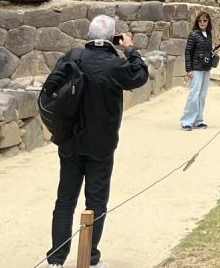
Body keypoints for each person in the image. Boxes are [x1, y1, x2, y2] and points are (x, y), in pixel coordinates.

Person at [45, 15, 148, 266]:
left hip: (70, 140)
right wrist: (130, 48)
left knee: (66, 199)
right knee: (96, 200)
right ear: (112, 37)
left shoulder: (73, 57)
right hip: (101, 143)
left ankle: (57, 259)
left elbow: (51, 86)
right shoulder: (115, 65)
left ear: (89, 36)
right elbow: (141, 74)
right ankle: (89, 256)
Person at [181, 12, 219, 132]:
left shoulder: (208, 34)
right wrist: (188, 69)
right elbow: (188, 52)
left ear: (208, 22)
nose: (202, 23)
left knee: (202, 95)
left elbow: (207, 51)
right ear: (197, 22)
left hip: (206, 68)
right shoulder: (193, 35)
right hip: (196, 68)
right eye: (200, 21)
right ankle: (187, 121)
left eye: (205, 20)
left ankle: (198, 120)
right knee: (194, 94)